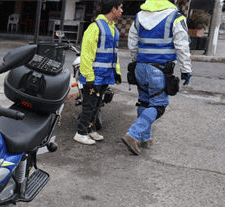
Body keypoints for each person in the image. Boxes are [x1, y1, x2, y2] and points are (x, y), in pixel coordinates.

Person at [122, 0, 191, 155]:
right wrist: (186, 68)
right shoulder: (175, 16)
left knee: (144, 101)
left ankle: (145, 138)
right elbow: (182, 44)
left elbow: (132, 42)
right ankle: (133, 134)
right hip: (159, 69)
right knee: (159, 105)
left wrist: (135, 61)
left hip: (140, 66)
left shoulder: (139, 16)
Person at [74, 1, 123, 145]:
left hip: (105, 75)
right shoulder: (94, 27)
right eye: (120, 8)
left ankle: (90, 130)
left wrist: (117, 72)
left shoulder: (113, 29)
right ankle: (81, 132)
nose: (122, 11)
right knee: (89, 105)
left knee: (97, 104)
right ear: (113, 9)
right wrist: (89, 77)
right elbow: (87, 54)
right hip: (95, 75)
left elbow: (115, 54)